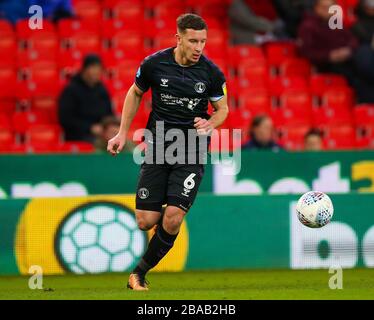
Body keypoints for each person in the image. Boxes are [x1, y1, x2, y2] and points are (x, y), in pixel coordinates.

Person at [107, 13, 228, 291]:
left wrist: (210, 123)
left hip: (192, 151)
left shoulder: (211, 73)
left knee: (173, 216)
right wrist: (122, 132)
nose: (199, 47)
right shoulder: (154, 64)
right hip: (159, 147)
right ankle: (168, 224)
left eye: (203, 42)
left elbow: (223, 109)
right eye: (193, 41)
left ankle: (138, 273)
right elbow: (135, 92)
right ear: (179, 38)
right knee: (145, 221)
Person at [58, 54, 114, 143]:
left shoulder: (102, 90)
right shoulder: (71, 90)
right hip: (78, 136)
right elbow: (66, 119)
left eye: (99, 68)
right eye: (93, 68)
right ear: (84, 69)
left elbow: (109, 113)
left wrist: (110, 126)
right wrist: (89, 128)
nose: (97, 71)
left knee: (123, 142)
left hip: (102, 134)